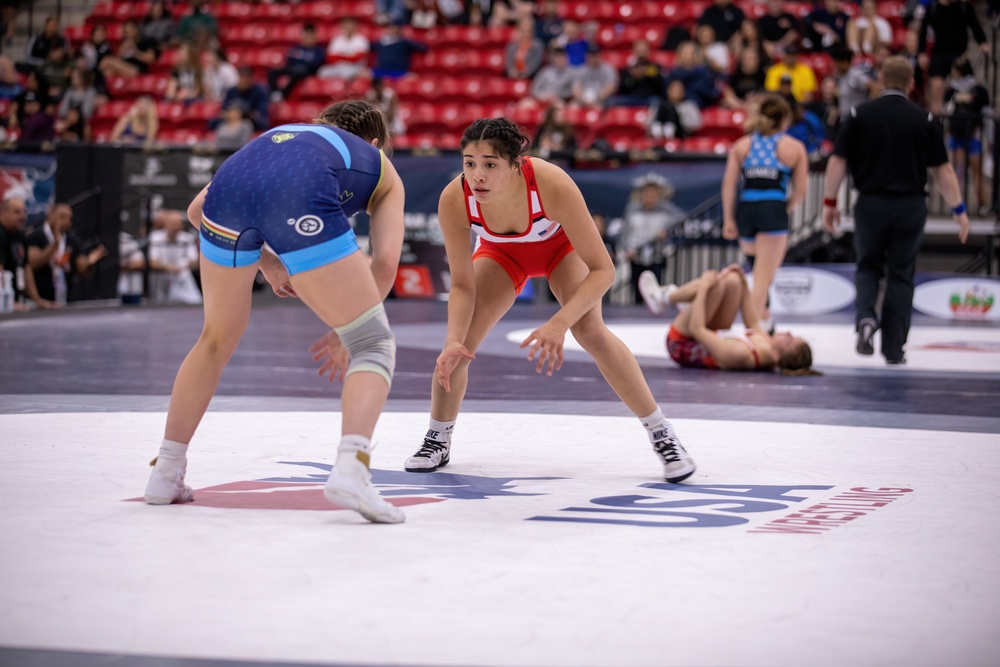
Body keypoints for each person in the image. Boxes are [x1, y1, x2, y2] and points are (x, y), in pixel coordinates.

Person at [143, 99, 409, 524]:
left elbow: (196, 211)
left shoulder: (284, 136)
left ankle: (166, 471)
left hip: (231, 189)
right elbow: (385, 263)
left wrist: (266, 261)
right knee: (373, 343)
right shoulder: (380, 167)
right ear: (376, 143)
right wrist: (348, 333)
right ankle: (352, 468)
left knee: (214, 339)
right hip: (299, 194)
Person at [402, 117, 696, 484]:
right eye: (469, 163)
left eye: (490, 165)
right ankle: (437, 439)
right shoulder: (454, 198)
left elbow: (603, 271)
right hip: (501, 256)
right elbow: (461, 285)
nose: (477, 175)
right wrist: (451, 338)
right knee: (458, 348)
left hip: (560, 251)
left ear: (516, 165)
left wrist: (560, 322)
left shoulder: (550, 182)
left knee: (590, 332)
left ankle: (661, 433)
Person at [822, 56, 970, 365]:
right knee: (901, 275)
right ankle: (893, 348)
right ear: (911, 83)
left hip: (871, 202)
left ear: (880, 78)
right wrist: (959, 209)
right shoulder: (924, 119)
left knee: (868, 266)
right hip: (910, 205)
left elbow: (837, 161)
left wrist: (830, 203)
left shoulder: (858, 115)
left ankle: (865, 319)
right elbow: (943, 171)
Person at [721, 93, 808, 333]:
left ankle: (765, 319)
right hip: (772, 209)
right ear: (783, 119)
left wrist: (729, 219)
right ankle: (753, 330)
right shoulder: (793, 148)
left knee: (758, 267)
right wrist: (786, 206)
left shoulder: (742, 145)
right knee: (762, 277)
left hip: (745, 211)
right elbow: (801, 189)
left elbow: (729, 184)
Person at [638, 264, 815, 374]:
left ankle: (663, 298)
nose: (788, 333)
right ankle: (681, 302)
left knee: (713, 285)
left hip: (681, 343)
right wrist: (743, 280)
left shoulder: (742, 355)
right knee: (732, 281)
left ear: (784, 356)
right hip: (703, 334)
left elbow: (696, 329)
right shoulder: (766, 343)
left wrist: (703, 290)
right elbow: (752, 322)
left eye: (790, 340)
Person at [25, 203, 106, 305]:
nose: (66, 222)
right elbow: (32, 264)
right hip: (38, 301)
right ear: (50, 214)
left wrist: (90, 262)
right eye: (62, 216)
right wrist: (55, 245)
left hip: (63, 299)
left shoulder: (72, 240)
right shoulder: (35, 237)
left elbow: (80, 267)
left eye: (69, 218)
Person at [0, 196, 54, 311]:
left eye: (24, 212)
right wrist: (5, 303)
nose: (22, 216)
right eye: (17, 212)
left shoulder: (20, 235)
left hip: (16, 300)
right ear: (3, 213)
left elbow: (26, 267)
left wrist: (37, 300)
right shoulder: (1, 235)